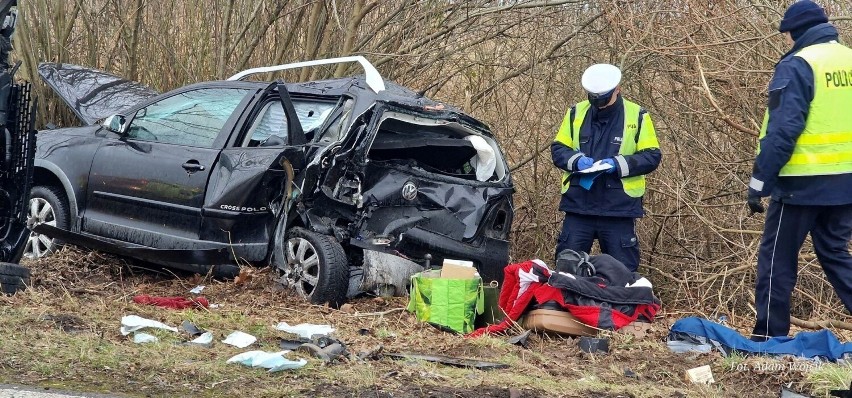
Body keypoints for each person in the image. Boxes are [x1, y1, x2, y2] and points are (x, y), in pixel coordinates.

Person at [748, 0, 852, 340]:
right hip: (847, 183)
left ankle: (768, 339)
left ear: (794, 32)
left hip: (800, 183)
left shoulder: (798, 64)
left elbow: (784, 130)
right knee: (835, 254)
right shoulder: (849, 59)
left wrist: (760, 179)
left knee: (777, 262)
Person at [551, 64, 662, 272]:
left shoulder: (637, 115)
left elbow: (652, 156)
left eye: (603, 98)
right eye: (594, 98)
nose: (598, 103)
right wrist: (576, 160)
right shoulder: (576, 113)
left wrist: (617, 164)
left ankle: (619, 306)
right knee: (566, 270)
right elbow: (558, 149)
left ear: (617, 88)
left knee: (622, 275)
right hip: (579, 206)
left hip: (618, 209)